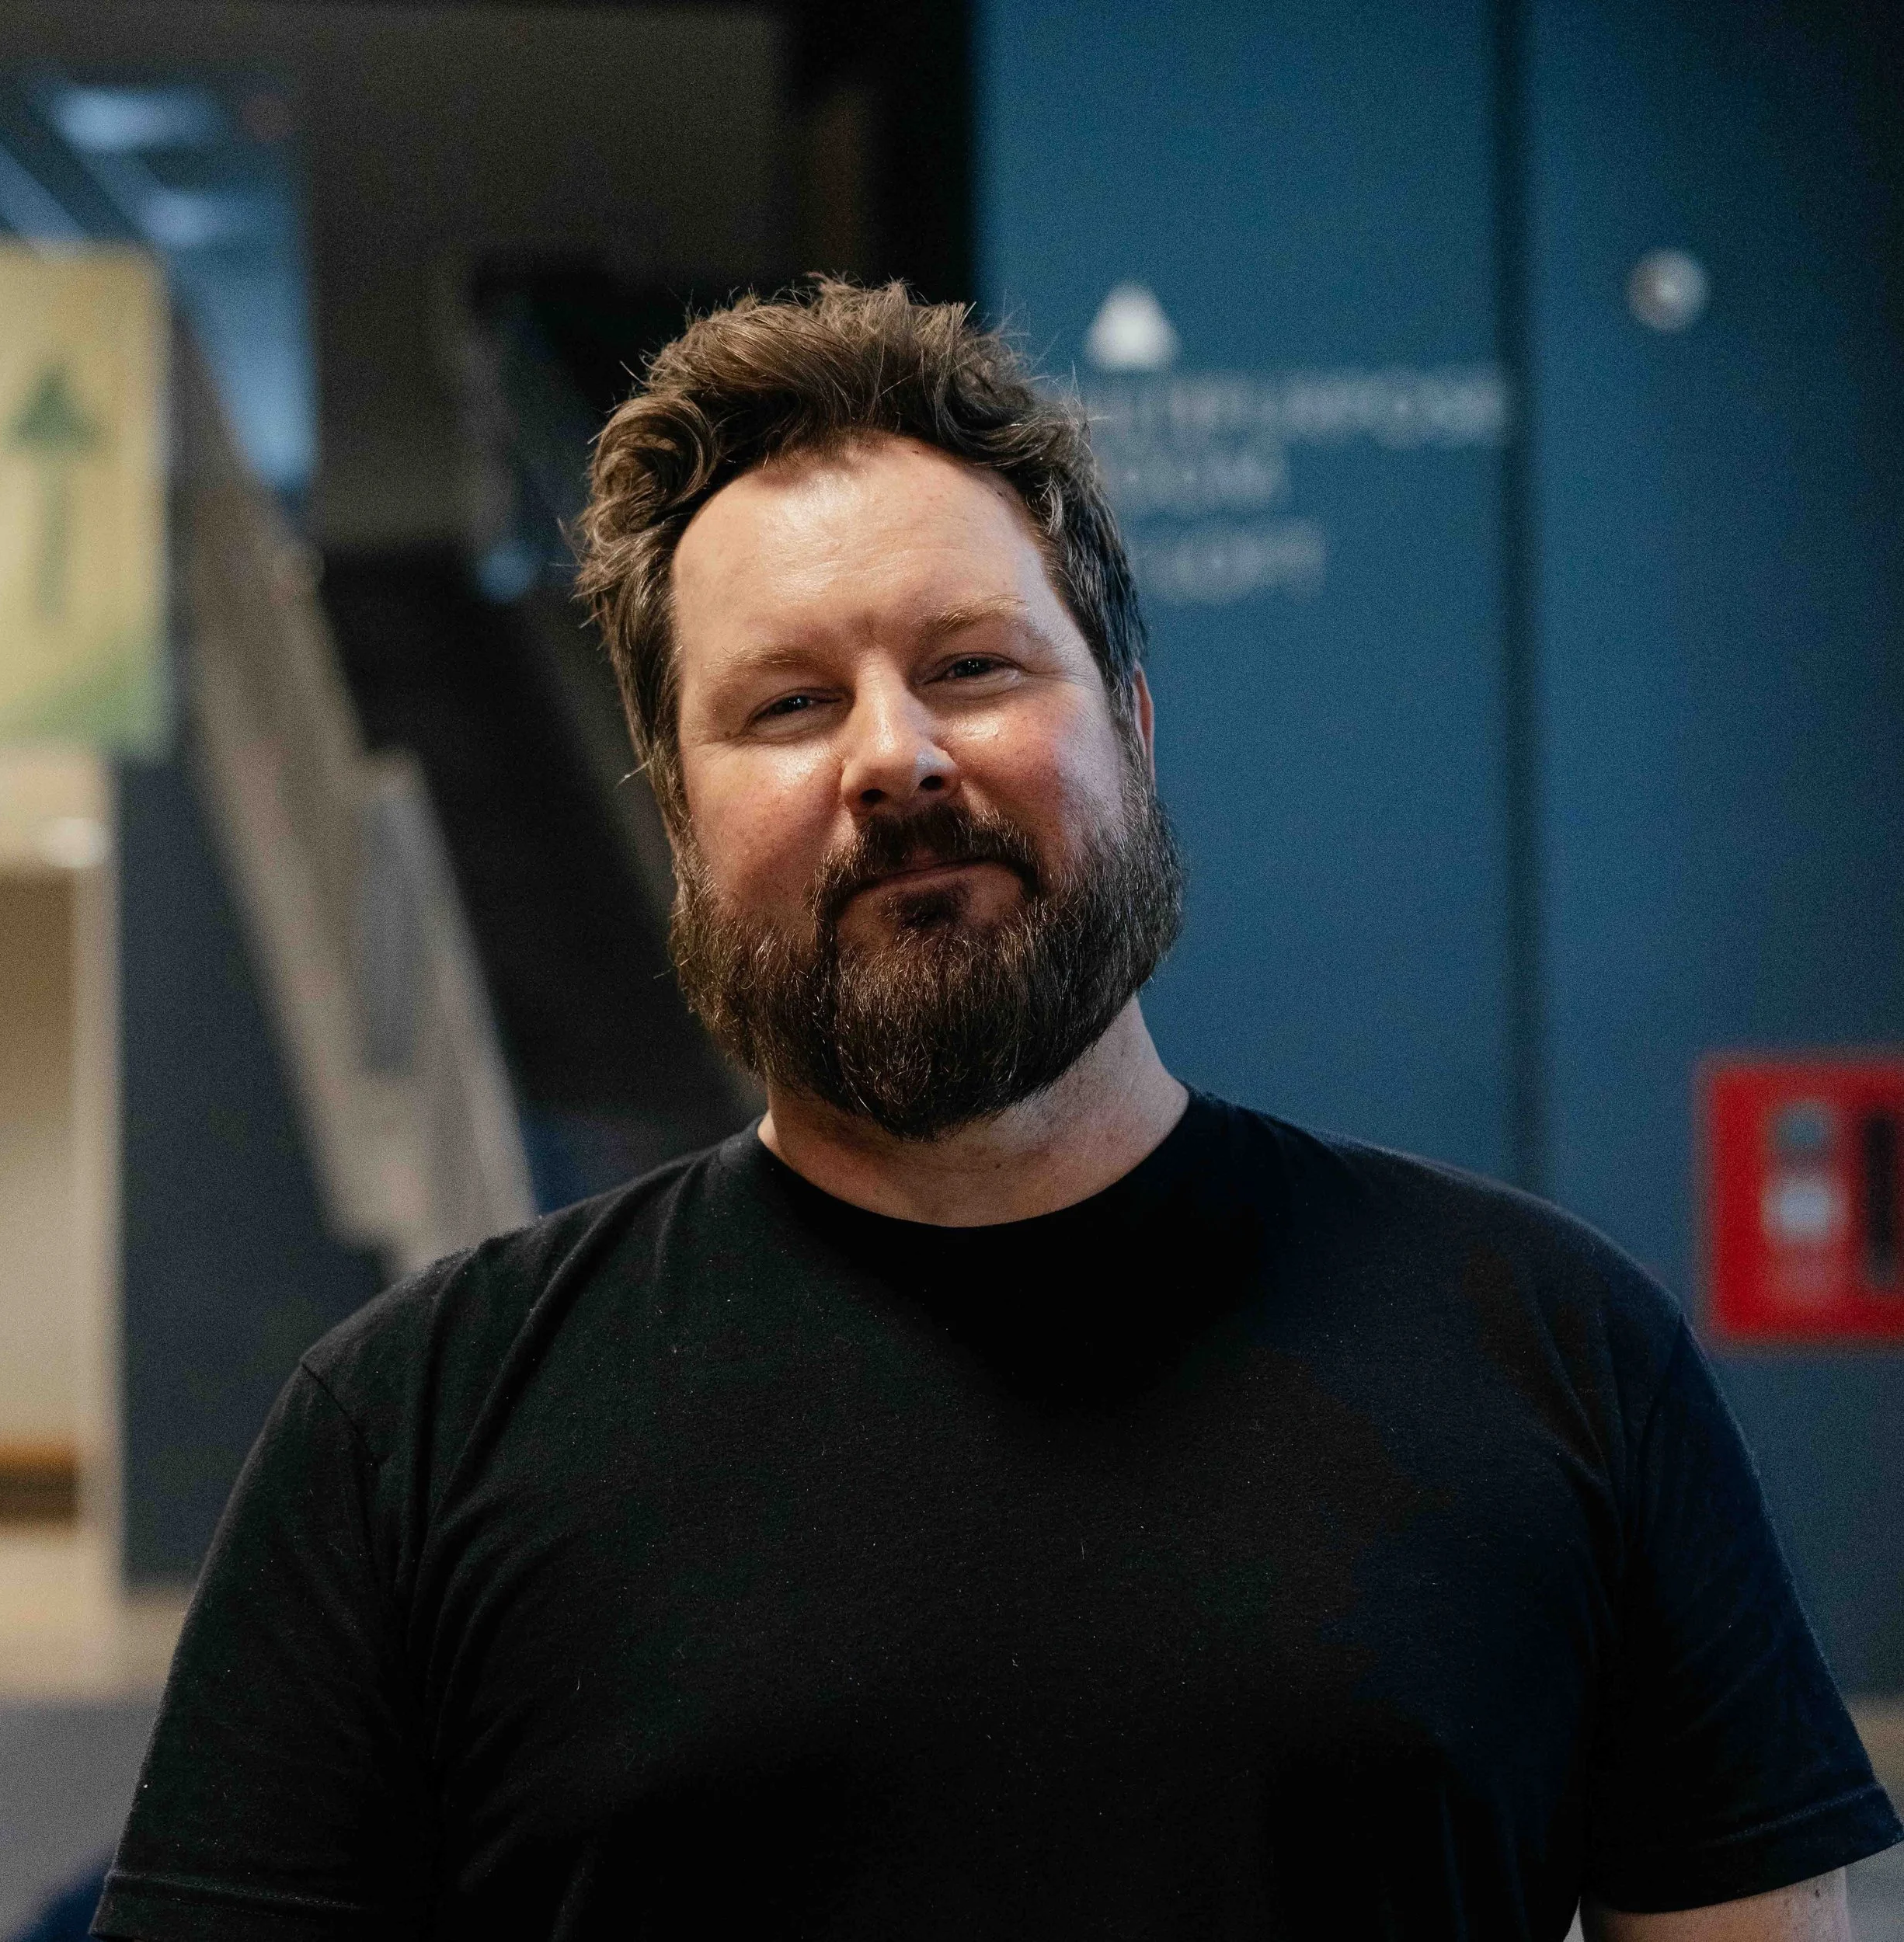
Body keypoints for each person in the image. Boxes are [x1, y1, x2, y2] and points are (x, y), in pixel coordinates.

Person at [96, 281, 1896, 1941]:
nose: (895, 757)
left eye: (969, 664)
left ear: (1124, 722)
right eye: (790, 703)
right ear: (678, 821)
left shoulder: (1553, 1349)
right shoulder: (411, 1428)